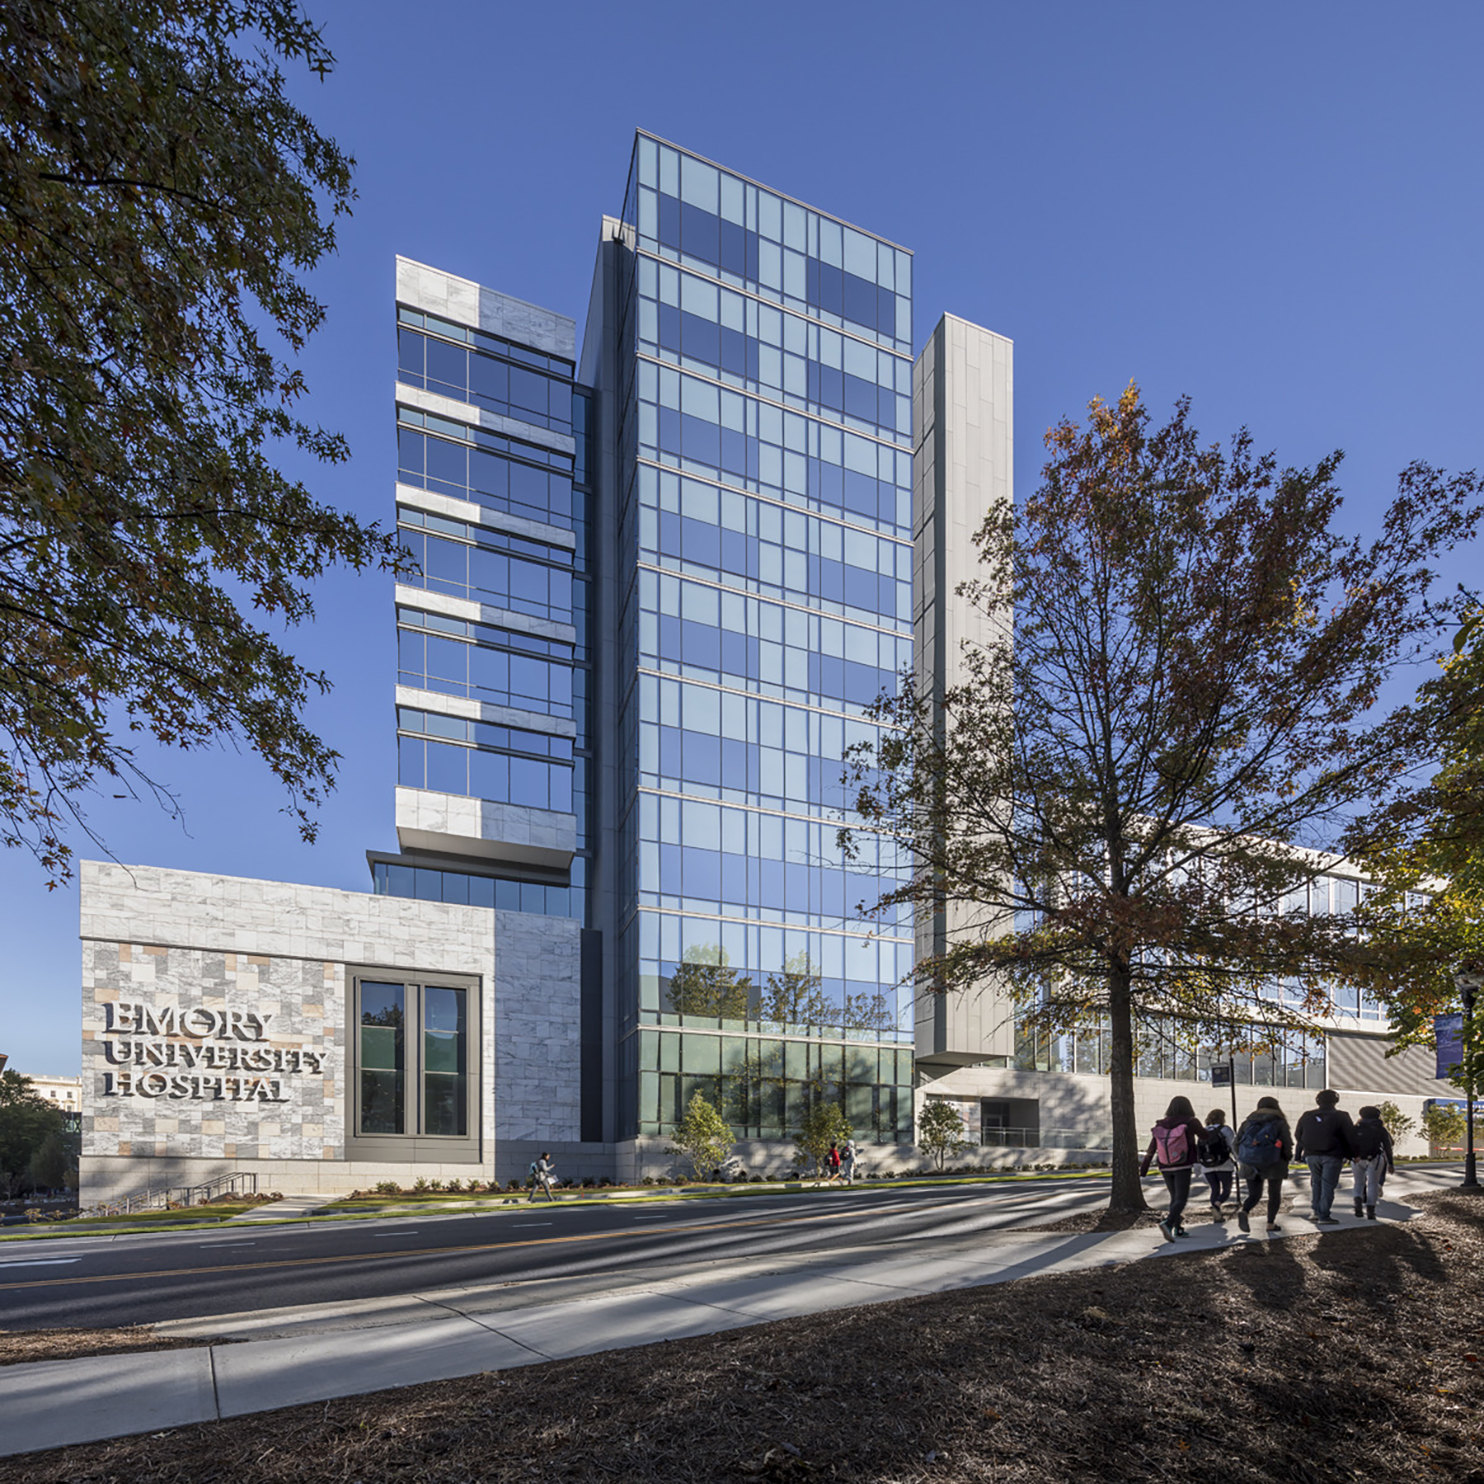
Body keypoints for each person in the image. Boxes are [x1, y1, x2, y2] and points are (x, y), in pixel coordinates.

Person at [1139, 1095, 1206, 1242]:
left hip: (1165, 1165)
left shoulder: (1160, 1125)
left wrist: (1144, 1168)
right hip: (1183, 1164)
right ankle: (1168, 1224)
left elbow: (1152, 1146)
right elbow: (1204, 1136)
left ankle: (1178, 1229)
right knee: (1181, 1198)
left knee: (1174, 1198)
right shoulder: (1190, 1121)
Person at [1295, 1089, 1356, 1225]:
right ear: (1336, 1101)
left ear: (1318, 1101)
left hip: (1311, 1155)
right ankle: (1324, 1215)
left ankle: (1315, 1211)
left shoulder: (1307, 1115)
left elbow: (1298, 1135)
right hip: (1333, 1155)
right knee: (1328, 1185)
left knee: (1316, 1183)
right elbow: (1350, 1137)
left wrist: (1299, 1153)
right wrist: (1352, 1155)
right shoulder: (1342, 1116)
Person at [1234, 1096, 1293, 1235]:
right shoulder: (1279, 1122)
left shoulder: (1248, 1122)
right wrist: (1287, 1158)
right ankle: (1270, 1223)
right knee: (1274, 1194)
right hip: (1274, 1162)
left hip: (1250, 1163)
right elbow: (1287, 1143)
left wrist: (1243, 1157)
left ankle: (1245, 1210)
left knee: (1254, 1194)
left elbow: (1236, 1143)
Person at [1349, 1105, 1395, 1220]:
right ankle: (1371, 1211)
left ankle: (1358, 1201)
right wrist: (1390, 1163)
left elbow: (1348, 1143)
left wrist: (1351, 1156)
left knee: (1358, 1183)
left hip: (1357, 1159)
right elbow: (1388, 1146)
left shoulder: (1356, 1127)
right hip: (1375, 1158)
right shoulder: (1380, 1129)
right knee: (1372, 1184)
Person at [1197, 1107, 1238, 1218]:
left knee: (1214, 1189)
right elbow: (1233, 1146)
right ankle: (1217, 1205)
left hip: (1207, 1166)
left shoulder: (1203, 1131)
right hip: (1224, 1164)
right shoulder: (1225, 1130)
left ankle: (1217, 1214)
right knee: (1226, 1190)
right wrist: (1237, 1159)